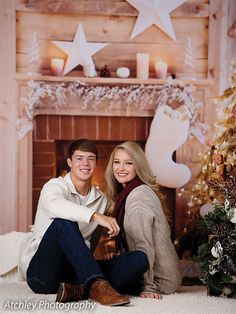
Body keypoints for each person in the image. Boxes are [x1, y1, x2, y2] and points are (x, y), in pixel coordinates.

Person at [19, 139, 148, 306]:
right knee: (63, 223)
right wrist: (96, 216)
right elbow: (55, 205)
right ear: (69, 162)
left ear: (96, 163)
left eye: (91, 159)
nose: (85, 163)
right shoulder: (54, 186)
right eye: (79, 158)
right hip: (43, 275)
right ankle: (97, 286)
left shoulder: (100, 199)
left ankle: (80, 289)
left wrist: (112, 254)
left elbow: (93, 243)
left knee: (139, 259)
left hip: (73, 274)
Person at [105, 141, 182, 299]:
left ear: (138, 166)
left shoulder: (137, 196)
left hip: (160, 281)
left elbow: (142, 246)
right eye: (117, 162)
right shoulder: (133, 191)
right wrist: (121, 257)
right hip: (162, 276)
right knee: (98, 269)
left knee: (92, 273)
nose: (121, 168)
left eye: (128, 163)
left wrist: (148, 287)